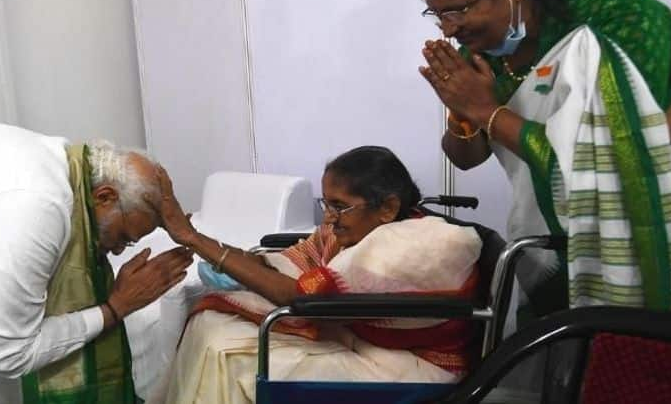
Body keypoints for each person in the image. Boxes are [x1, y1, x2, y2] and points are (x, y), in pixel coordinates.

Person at [415, 0, 671, 317]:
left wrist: (487, 111)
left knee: (659, 346)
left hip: (665, 214)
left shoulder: (620, 17)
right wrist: (462, 111)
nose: (447, 29)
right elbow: (465, 158)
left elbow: (613, 159)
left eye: (457, 10)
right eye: (436, 14)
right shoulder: (483, 51)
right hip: (559, 234)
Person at [145, 146, 483, 404]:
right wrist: (236, 260)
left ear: (388, 208)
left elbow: (304, 297)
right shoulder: (357, 232)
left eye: (340, 207)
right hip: (355, 336)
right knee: (210, 326)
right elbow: (300, 260)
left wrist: (194, 239)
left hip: (408, 367)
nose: (329, 219)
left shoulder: (413, 245)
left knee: (226, 353)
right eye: (327, 204)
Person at [0, 124, 193, 404]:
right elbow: (12, 354)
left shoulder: (66, 166)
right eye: (123, 237)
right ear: (104, 196)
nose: (117, 251)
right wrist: (113, 309)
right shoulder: (39, 209)